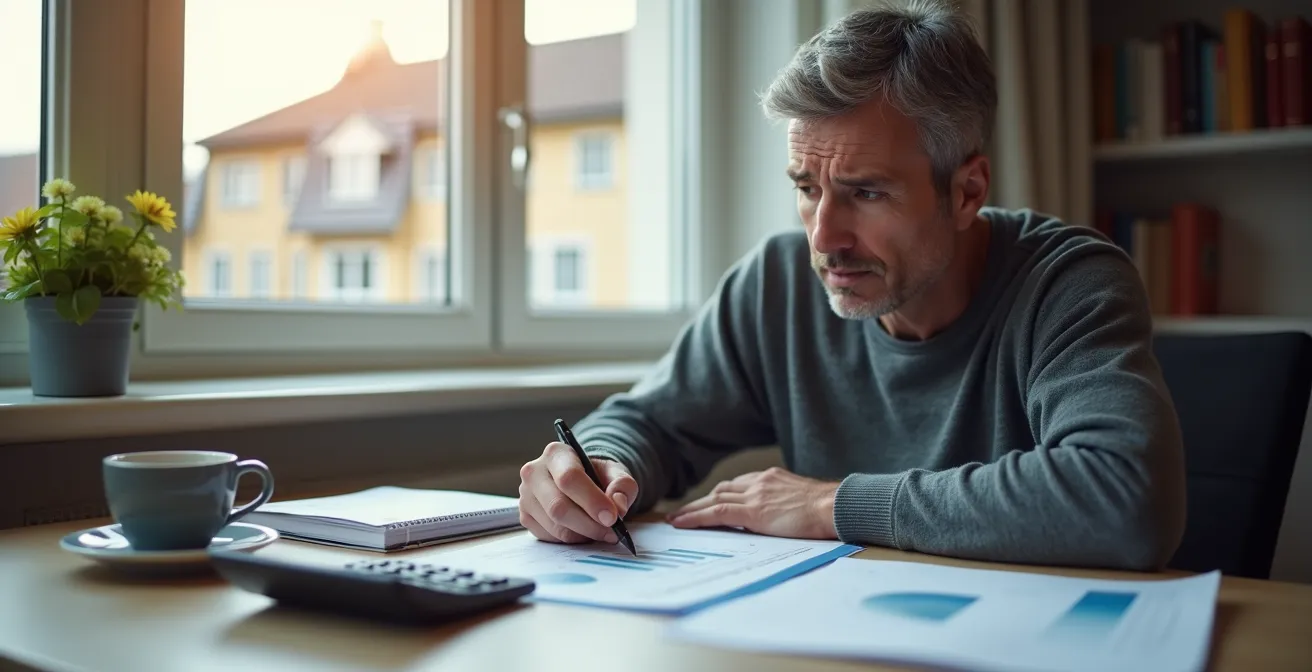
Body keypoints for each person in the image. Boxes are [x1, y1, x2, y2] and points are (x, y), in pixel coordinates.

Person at [515, 0, 1187, 571]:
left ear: (966, 190)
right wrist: (596, 468)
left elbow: (1127, 497)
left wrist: (827, 505)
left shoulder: (1068, 283)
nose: (823, 237)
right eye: (807, 189)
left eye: (866, 192)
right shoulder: (778, 284)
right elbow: (650, 422)